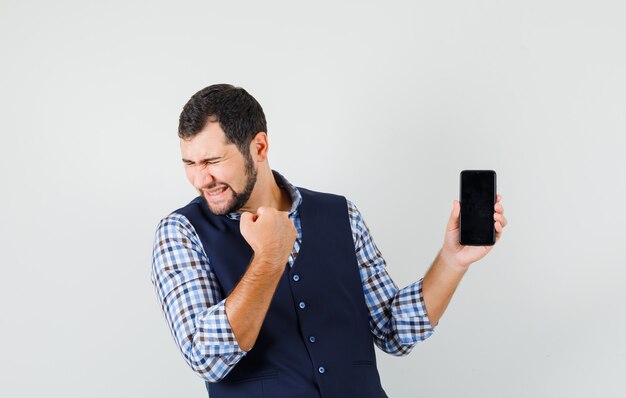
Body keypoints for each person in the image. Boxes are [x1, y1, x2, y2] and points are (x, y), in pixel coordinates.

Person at [151, 84, 507, 398]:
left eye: (212, 160)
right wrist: (269, 258)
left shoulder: (340, 214)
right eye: (189, 163)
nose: (201, 179)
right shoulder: (181, 233)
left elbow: (395, 331)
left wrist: (452, 259)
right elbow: (206, 358)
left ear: (259, 146)